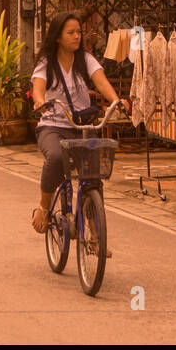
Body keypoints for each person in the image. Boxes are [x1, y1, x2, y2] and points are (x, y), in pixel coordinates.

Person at [30, 13, 122, 240]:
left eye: (79, 32)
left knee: (92, 176)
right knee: (57, 157)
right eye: (70, 32)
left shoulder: (86, 59)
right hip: (52, 126)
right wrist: (40, 101)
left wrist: (115, 100)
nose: (76, 36)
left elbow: (100, 81)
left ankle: (94, 236)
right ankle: (43, 207)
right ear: (58, 37)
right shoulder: (46, 63)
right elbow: (38, 87)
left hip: (82, 127)